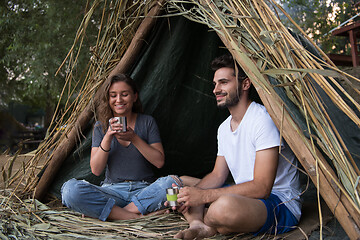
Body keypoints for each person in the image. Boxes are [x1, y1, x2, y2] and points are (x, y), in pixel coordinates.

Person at [173, 54, 302, 239]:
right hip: (245, 197)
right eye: (215, 84)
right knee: (184, 182)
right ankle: (198, 225)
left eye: (224, 82)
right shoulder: (224, 128)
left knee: (222, 207)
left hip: (278, 203)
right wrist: (191, 196)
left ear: (245, 84)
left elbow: (262, 188)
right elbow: (218, 175)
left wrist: (204, 197)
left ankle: (211, 222)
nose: (216, 89)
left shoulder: (263, 120)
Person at [61, 73, 183, 221]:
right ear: (108, 99)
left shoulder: (147, 122)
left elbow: (159, 162)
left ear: (134, 97)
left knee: (172, 184)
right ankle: (137, 217)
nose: (119, 100)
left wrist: (134, 138)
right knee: (70, 191)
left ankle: (113, 214)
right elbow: (96, 170)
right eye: (113, 95)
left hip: (145, 190)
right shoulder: (100, 127)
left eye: (124, 94)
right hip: (113, 192)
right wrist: (107, 137)